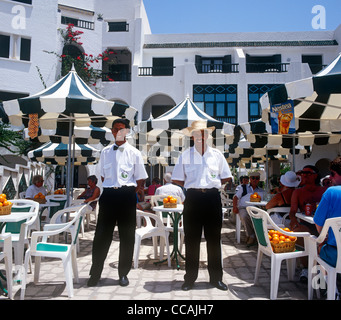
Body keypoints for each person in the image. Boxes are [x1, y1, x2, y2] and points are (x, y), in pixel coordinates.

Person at [172, 120, 232, 291]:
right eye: (197, 134)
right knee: (192, 240)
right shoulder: (185, 155)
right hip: (192, 199)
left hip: (213, 198)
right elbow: (177, 178)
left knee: (214, 240)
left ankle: (216, 279)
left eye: (203, 133)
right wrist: (194, 184)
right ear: (192, 136)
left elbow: (226, 176)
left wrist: (211, 182)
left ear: (208, 136)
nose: (201, 137)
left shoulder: (217, 155)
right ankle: (190, 279)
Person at [87, 118, 148, 287]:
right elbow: (101, 176)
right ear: (112, 132)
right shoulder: (105, 152)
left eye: (122, 129)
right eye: (115, 129)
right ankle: (95, 273)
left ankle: (123, 274)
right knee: (101, 236)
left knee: (127, 237)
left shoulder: (135, 153)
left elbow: (141, 179)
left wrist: (129, 193)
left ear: (127, 131)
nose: (118, 132)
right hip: (108, 196)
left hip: (126, 196)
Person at [288, 165, 325, 282]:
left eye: (307, 173)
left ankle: (326, 269)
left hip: (324, 226)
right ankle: (306, 268)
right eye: (302, 173)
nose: (303, 175)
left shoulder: (324, 191)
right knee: (299, 233)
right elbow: (292, 212)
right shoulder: (298, 192)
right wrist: (294, 222)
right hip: (306, 225)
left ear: (315, 175)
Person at [314, 157, 341, 268]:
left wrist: (323, 239)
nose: (329, 177)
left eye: (332, 173)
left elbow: (318, 224)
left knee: (318, 247)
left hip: (336, 255)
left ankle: (326, 283)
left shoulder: (331, 192)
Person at [233, 171, 264, 247]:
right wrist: (235, 207)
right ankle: (251, 235)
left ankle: (256, 237)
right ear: (250, 179)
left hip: (256, 208)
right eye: (253, 178)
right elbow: (235, 197)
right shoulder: (243, 188)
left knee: (260, 217)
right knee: (244, 216)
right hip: (244, 208)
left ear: (259, 179)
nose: (255, 180)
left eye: (257, 178)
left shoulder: (261, 190)